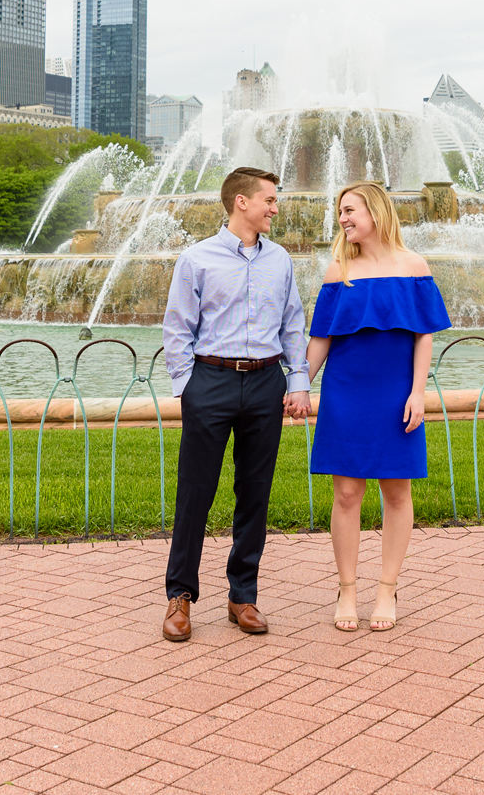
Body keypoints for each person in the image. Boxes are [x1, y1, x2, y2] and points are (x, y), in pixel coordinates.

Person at [159, 166, 310, 642]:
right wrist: (189, 385)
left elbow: (292, 325)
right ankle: (180, 596)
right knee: (195, 492)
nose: (275, 207)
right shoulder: (197, 259)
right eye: (269, 199)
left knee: (255, 493)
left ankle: (242, 595)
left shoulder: (280, 259)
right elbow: (178, 327)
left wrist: (298, 381)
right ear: (240, 202)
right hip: (211, 380)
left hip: (266, 384)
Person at [305, 181, 450, 633]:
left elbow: (423, 334)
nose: (343, 218)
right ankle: (347, 589)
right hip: (345, 391)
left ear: (376, 211)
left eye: (349, 210)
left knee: (397, 492)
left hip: (396, 392)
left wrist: (418, 392)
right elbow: (321, 339)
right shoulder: (337, 272)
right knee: (346, 493)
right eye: (340, 212)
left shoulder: (414, 266)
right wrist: (295, 387)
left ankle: (387, 589)